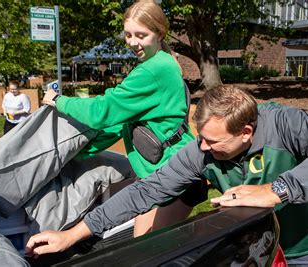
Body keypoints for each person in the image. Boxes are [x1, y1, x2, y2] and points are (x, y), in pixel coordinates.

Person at [27, 86, 308, 265]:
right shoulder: (201, 151)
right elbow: (145, 191)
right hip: (254, 248)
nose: (202, 147)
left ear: (246, 131)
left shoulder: (287, 124)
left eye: (214, 140)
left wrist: (277, 189)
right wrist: (72, 236)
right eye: (201, 137)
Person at [41, 0, 198, 237]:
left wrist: (59, 101)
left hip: (174, 175)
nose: (133, 42)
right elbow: (121, 123)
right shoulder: (162, 61)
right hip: (156, 175)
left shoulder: (153, 70)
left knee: (152, 249)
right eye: (128, 35)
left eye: (141, 35)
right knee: (143, 247)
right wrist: (82, 151)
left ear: (160, 33)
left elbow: (102, 110)